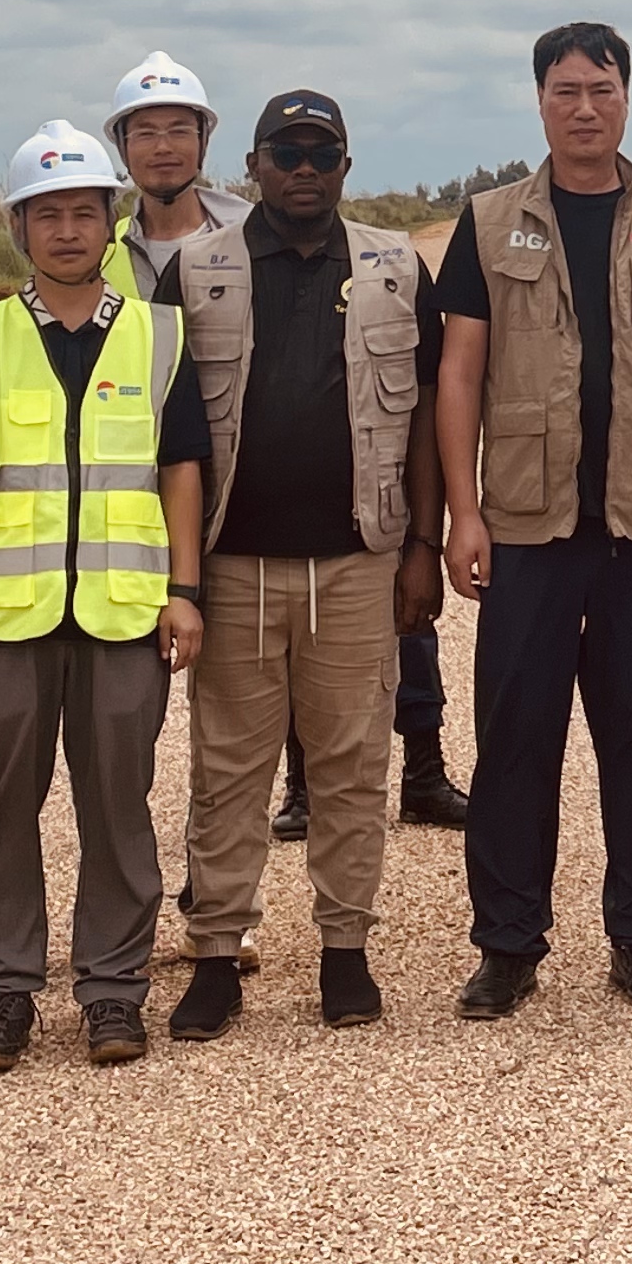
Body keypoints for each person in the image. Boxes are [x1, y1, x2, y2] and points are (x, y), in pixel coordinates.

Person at [0, 124, 209, 1071]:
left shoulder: (159, 335)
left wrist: (184, 591)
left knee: (119, 805)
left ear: (109, 220)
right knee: (0, 806)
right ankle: (2, 994)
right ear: (18, 228)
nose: (69, 231)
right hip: (5, 622)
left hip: (125, 614)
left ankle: (114, 991)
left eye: (86, 212)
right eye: (48, 215)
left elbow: (181, 470)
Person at [433, 24, 632, 1019]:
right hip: (525, 524)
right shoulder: (488, 221)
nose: (584, 108)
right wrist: (463, 512)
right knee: (515, 741)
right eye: (565, 91)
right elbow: (458, 371)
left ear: (628, 97)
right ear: (540, 102)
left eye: (601, 89)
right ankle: (508, 946)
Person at [162, 90, 442, 1040]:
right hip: (233, 564)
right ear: (254, 166)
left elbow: (426, 419)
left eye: (323, 154)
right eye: (287, 154)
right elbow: (169, 436)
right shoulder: (197, 271)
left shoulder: (394, 266)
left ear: (346, 167)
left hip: (357, 561)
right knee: (228, 772)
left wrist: (422, 546)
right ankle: (216, 954)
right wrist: (177, 577)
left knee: (353, 766)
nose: (305, 170)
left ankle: (344, 952)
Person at [106, 50, 245, 300]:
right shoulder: (103, 250)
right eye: (145, 134)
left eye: (179, 131)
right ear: (121, 147)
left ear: (203, 141)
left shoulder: (250, 235)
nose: (163, 148)